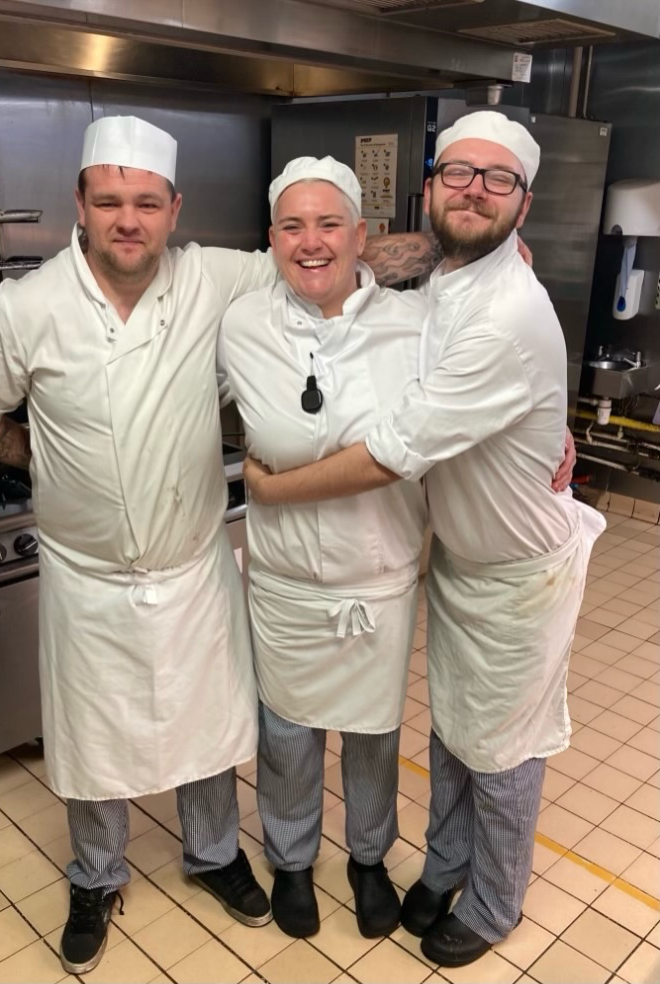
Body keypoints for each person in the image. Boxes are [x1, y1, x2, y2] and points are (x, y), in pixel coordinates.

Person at [0, 115, 444, 975]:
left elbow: (325, 251)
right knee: (91, 739)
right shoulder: (30, 307)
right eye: (109, 202)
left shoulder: (215, 278)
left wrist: (469, 264)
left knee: (206, 723)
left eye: (145, 203)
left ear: (176, 209)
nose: (127, 220)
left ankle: (215, 856)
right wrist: (35, 451)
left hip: (190, 563)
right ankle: (95, 875)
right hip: (86, 576)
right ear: (81, 205)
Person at [243, 111, 603, 969]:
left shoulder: (504, 315)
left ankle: (493, 902)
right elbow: (382, 253)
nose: (474, 190)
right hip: (458, 559)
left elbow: (391, 456)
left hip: (521, 570)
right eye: (458, 173)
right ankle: (444, 864)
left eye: (498, 178)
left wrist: (267, 487)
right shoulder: (455, 275)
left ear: (526, 197)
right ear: (433, 183)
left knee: (503, 751)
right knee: (451, 734)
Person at [217, 157, 428, 941]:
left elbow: (462, 416)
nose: (312, 242)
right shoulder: (240, 326)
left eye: (329, 223)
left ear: (361, 237)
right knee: (288, 737)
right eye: (294, 226)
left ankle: (369, 860)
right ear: (271, 240)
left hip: (376, 576)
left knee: (374, 735)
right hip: (286, 581)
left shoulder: (414, 326)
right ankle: (293, 861)